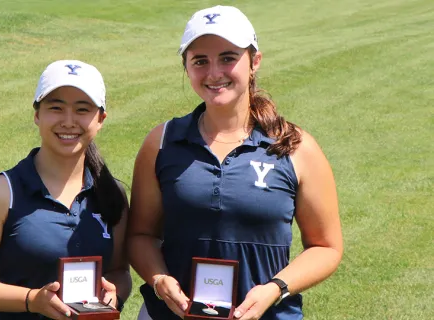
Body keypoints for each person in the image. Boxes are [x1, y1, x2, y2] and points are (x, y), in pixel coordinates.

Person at [127, 5, 343, 320]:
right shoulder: (161, 142)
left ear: (254, 62)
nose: (214, 73)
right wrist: (159, 279)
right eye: (200, 61)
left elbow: (326, 247)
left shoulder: (295, 147)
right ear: (187, 67)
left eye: (228, 58)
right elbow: (140, 235)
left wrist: (276, 288)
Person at [0, 60, 131, 319]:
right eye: (56, 108)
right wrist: (31, 300)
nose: (68, 121)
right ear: (37, 115)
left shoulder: (111, 194)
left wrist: (114, 295)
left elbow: (119, 271)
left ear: (100, 119)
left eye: (82, 110)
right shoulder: (2, 192)